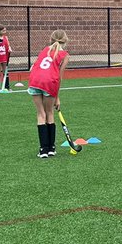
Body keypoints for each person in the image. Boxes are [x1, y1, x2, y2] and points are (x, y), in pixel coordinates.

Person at [28, 30, 71, 158]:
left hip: (35, 80)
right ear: (65, 41)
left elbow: (33, 67)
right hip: (49, 83)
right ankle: (51, 148)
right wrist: (57, 98)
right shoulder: (65, 55)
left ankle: (43, 150)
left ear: (51, 39)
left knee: (41, 114)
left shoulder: (45, 50)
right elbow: (59, 77)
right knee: (49, 113)